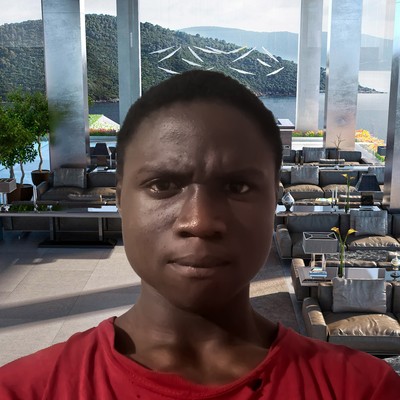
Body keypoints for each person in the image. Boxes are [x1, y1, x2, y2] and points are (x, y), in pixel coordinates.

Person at [0, 70, 399, 399]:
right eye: (162, 185)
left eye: (238, 187)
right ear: (120, 200)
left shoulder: (365, 389)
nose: (200, 221)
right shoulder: (21, 390)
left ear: (275, 202)